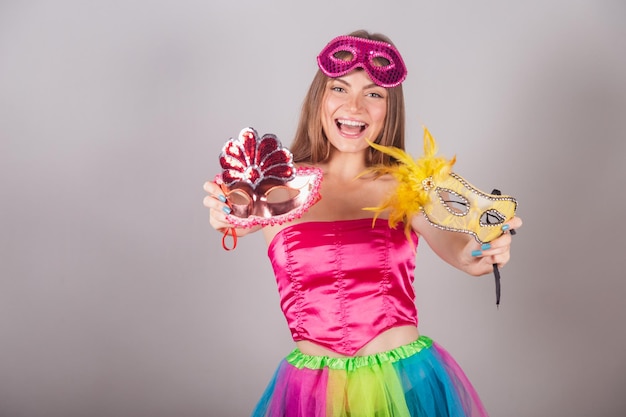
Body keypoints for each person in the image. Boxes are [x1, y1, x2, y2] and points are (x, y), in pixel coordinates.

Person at [203, 29, 523, 417]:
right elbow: (233, 215)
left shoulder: (405, 186)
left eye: (373, 94)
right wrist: (223, 209)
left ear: (389, 109)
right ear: (319, 98)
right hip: (313, 397)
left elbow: (463, 252)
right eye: (340, 88)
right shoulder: (279, 187)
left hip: (404, 388)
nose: (354, 106)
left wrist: (487, 250)